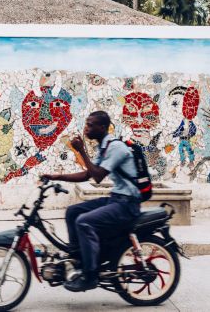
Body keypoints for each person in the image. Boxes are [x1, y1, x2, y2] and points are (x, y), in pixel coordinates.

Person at [42, 111, 141, 292]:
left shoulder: (115, 147)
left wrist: (81, 151)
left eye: (90, 125)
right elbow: (87, 173)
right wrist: (57, 176)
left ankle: (90, 274)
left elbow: (97, 176)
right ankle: (78, 257)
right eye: (86, 124)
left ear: (102, 128)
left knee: (84, 221)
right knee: (73, 212)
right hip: (116, 199)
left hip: (127, 204)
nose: (86, 128)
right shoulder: (104, 147)